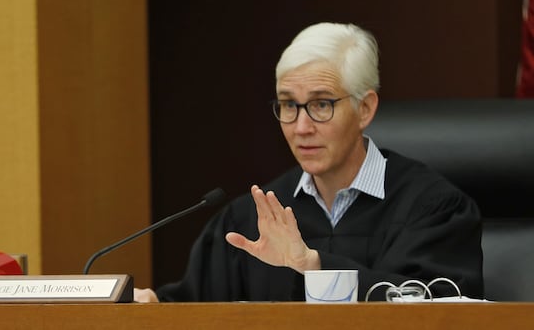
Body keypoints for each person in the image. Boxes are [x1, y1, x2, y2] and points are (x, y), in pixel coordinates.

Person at [135, 22, 484, 302]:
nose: (302, 128)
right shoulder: (251, 217)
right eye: (289, 105)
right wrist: (154, 306)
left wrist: (315, 265)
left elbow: (439, 308)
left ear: (365, 109)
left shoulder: (432, 208)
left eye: (321, 105)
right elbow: (195, 304)